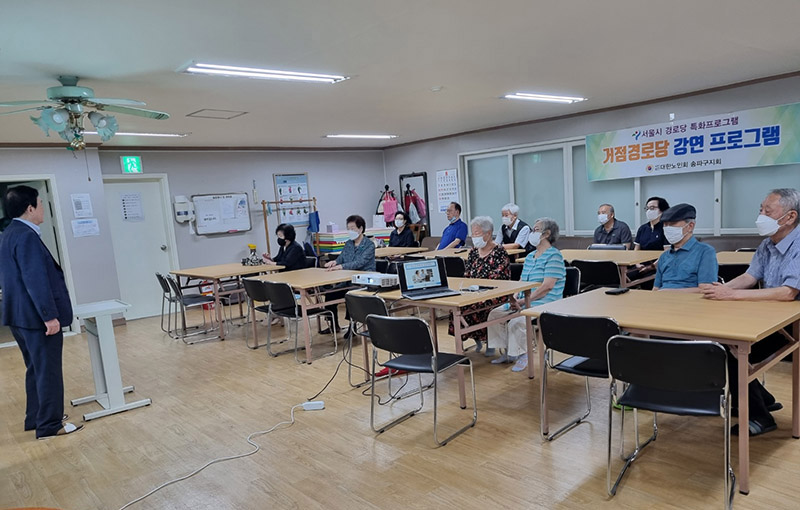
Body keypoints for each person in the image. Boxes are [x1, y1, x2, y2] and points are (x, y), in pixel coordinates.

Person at [701, 188, 800, 436]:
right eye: (760, 209)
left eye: (768, 211)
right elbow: (750, 276)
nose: (761, 216)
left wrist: (731, 295)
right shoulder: (767, 244)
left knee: (733, 349)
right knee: (723, 341)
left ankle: (759, 416)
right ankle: (762, 399)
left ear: (790, 217)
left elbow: (788, 292)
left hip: (792, 321)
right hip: (767, 316)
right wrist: (722, 289)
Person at [0, 185, 82, 438]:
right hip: (36, 318)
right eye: (41, 203)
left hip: (19, 316)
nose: (43, 207)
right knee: (48, 371)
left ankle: (36, 418)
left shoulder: (9, 233)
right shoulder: (26, 236)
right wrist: (49, 316)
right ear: (30, 208)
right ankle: (50, 425)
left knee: (35, 368)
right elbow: (35, 280)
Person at [487, 218, 566, 372]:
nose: (532, 233)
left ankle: (524, 353)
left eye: (536, 230)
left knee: (517, 321)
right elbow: (522, 281)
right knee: (495, 314)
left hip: (545, 301)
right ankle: (508, 352)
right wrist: (515, 297)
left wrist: (523, 301)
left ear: (546, 234)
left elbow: (547, 287)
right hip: (525, 299)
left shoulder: (554, 256)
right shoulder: (530, 256)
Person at [449, 216, 510, 353]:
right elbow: (467, 274)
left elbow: (499, 277)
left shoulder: (499, 252)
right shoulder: (473, 252)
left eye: (477, 233)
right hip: (473, 292)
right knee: (456, 307)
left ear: (488, 234)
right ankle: (473, 340)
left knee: (480, 306)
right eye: (472, 234)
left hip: (494, 293)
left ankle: (489, 342)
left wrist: (479, 286)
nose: (473, 237)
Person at [323, 214, 376, 333]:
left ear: (360, 229)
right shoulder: (348, 244)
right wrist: (334, 262)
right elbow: (341, 257)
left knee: (350, 295)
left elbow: (360, 262)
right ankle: (333, 325)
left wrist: (341, 266)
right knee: (330, 294)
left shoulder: (369, 245)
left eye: (353, 228)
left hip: (363, 281)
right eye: (348, 228)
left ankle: (353, 326)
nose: (350, 231)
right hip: (348, 280)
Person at [653, 203, 718, 292]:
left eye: (672, 224)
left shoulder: (705, 252)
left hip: (690, 300)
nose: (668, 228)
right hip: (661, 298)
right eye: (665, 225)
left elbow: (706, 289)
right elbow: (656, 288)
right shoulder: (664, 256)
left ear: (690, 226)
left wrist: (669, 292)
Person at [627, 196, 670, 286]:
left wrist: (651, 267)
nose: (649, 211)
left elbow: (666, 253)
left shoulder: (666, 228)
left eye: (652, 208)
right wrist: (637, 264)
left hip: (657, 266)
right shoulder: (643, 228)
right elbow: (636, 250)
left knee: (648, 282)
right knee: (625, 277)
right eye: (647, 208)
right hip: (641, 266)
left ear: (662, 210)